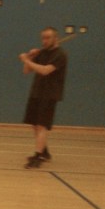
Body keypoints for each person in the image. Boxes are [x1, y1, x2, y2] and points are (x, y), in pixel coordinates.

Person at [18, 27, 67, 169]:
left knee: (41, 125)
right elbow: (26, 71)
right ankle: (44, 152)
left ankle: (38, 156)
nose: (44, 41)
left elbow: (45, 71)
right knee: (35, 124)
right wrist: (30, 57)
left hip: (49, 94)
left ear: (55, 38)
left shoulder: (60, 55)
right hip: (37, 92)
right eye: (43, 38)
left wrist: (26, 60)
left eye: (47, 38)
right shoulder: (42, 53)